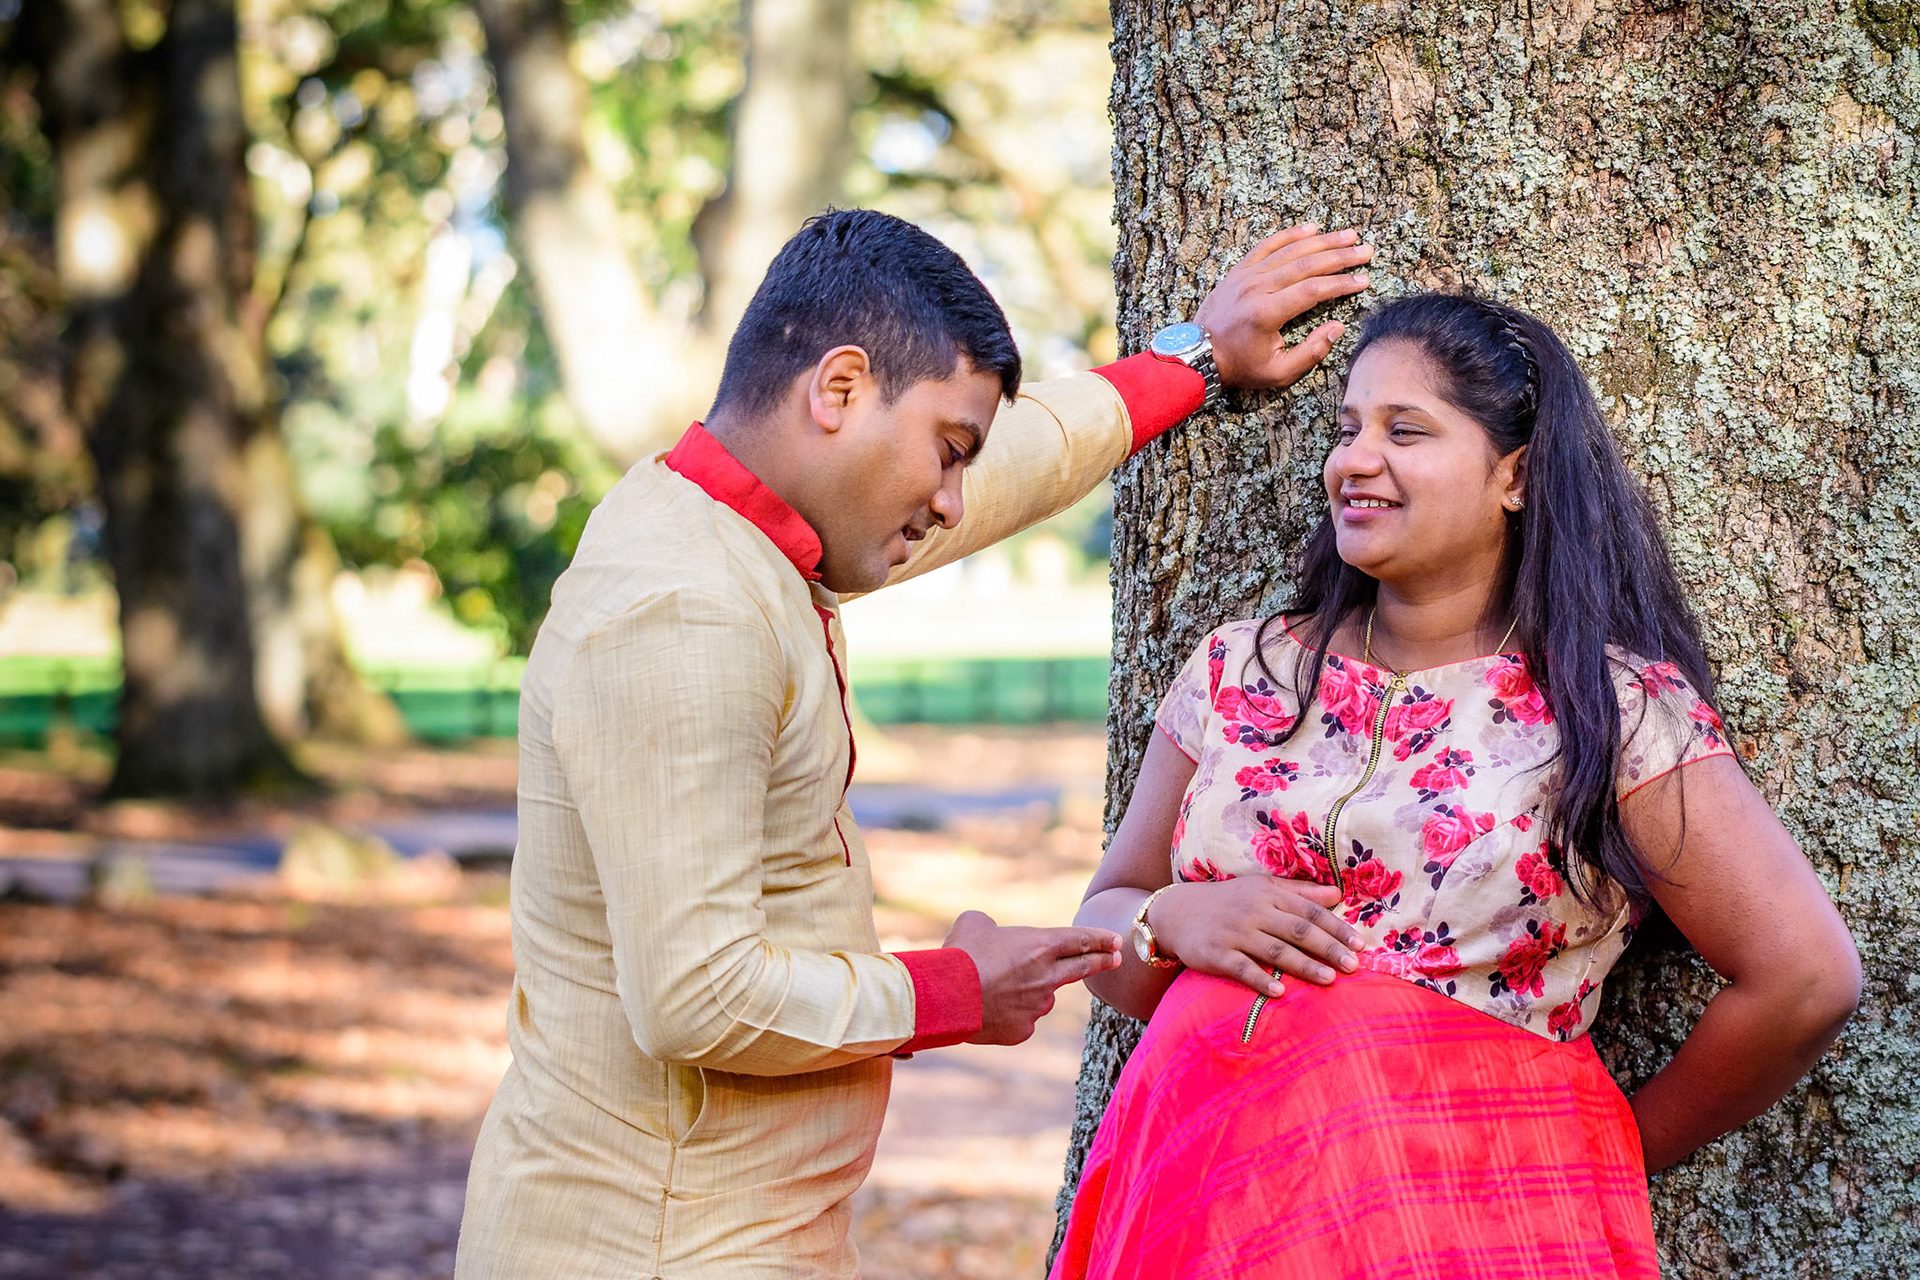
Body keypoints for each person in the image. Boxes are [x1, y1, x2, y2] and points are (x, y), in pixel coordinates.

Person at [454, 208, 1373, 1279]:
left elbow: (1013, 460)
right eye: (945, 452)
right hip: (657, 1247)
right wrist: (955, 990)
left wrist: (1195, 359)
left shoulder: (730, 524)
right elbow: (696, 996)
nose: (950, 500)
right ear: (839, 390)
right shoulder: (686, 609)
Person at [1052, 293, 1861, 1279]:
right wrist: (1172, 918)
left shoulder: (1610, 707)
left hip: (1458, 1226)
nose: (1355, 459)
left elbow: (1805, 976)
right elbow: (1106, 929)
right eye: (1348, 428)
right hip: (1195, 1193)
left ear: (1514, 474)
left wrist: (1607, 1154)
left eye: (1406, 431)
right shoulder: (1240, 668)